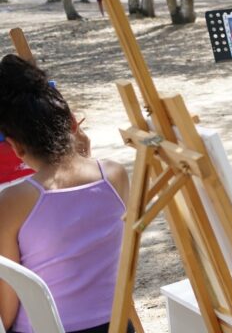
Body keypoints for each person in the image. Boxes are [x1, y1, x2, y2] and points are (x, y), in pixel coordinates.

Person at [0, 54, 131, 333]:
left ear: (16, 147)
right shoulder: (115, 175)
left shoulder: (14, 201)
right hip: (116, 324)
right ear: (72, 124)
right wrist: (84, 154)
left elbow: (9, 306)